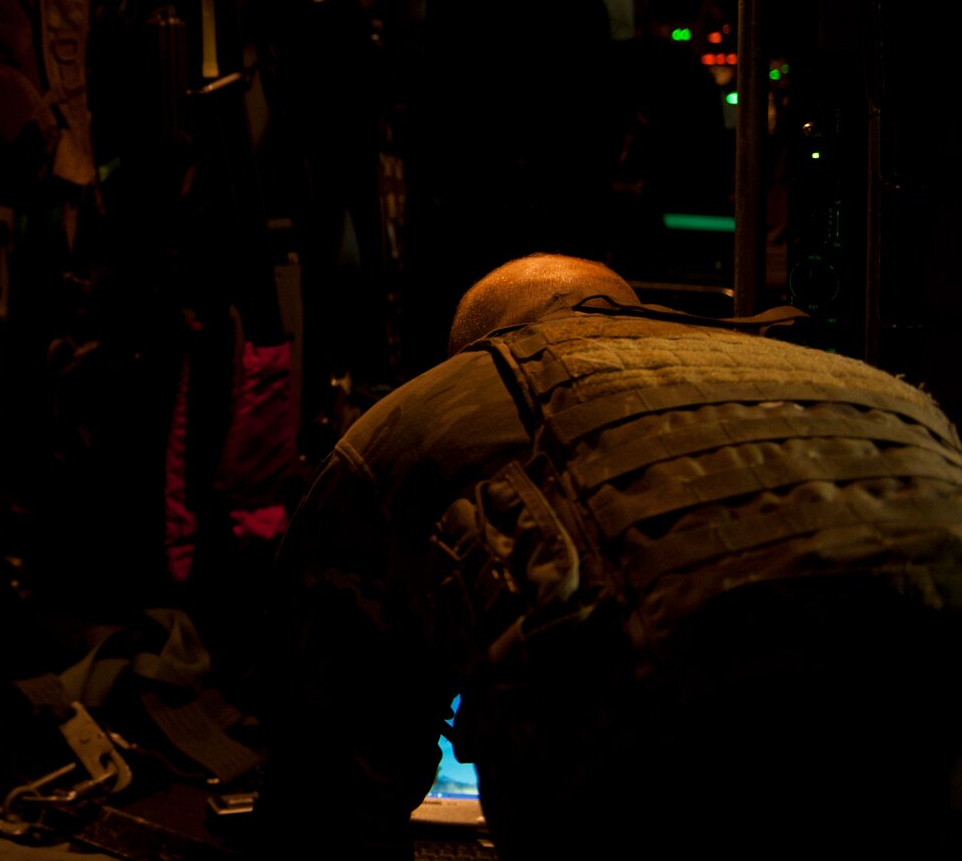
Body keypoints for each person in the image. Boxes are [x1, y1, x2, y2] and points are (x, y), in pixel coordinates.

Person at [261, 254, 961, 860]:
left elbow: (328, 789)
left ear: (474, 347)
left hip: (657, 776)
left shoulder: (430, 413)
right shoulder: (873, 385)